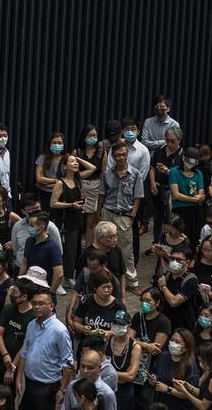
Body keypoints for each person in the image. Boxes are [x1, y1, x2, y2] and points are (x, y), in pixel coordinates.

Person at [98, 142, 144, 296]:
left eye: (124, 154)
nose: (121, 157)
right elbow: (102, 194)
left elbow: (138, 197)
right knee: (104, 246)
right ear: (113, 156)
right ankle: (103, 276)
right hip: (108, 213)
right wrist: (99, 212)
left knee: (126, 249)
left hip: (124, 216)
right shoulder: (107, 174)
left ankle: (132, 281)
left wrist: (133, 215)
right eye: (118, 155)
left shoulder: (135, 174)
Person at [16, 288, 73, 410]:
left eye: (41, 304)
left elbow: (67, 363)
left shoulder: (60, 331)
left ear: (51, 306)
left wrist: (62, 390)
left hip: (48, 387)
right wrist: (19, 378)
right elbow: (24, 353)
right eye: (34, 303)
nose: (36, 307)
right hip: (29, 383)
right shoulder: (31, 325)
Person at [51, 153, 97, 286]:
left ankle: (70, 275)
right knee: (68, 250)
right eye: (72, 161)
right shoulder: (60, 183)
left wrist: (77, 158)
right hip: (66, 221)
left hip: (77, 219)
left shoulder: (78, 179)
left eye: (76, 162)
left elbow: (92, 168)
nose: (76, 163)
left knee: (76, 249)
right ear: (65, 167)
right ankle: (65, 277)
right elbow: (53, 203)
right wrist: (71, 205)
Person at [147, 126, 183, 254]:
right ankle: (156, 243)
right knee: (157, 219)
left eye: (172, 141)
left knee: (170, 220)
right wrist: (152, 182)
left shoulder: (182, 155)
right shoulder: (159, 150)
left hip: (172, 192)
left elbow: (181, 177)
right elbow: (152, 168)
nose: (169, 143)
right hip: (158, 188)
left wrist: (168, 172)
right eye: (167, 140)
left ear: (179, 140)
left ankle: (170, 245)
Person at [128, 287, 171, 395]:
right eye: (142, 300)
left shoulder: (164, 322)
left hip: (151, 367)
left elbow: (155, 350)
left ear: (157, 303)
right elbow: (128, 340)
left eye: (148, 300)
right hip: (133, 362)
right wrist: (146, 346)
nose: (144, 303)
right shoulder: (138, 317)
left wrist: (136, 342)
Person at [0, 278, 36, 389]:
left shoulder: (33, 317)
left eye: (15, 292)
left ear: (24, 297)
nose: (11, 295)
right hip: (4, 361)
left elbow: (26, 344)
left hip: (20, 366)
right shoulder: (8, 309)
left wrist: (12, 367)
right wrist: (5, 354)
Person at [11, 195, 63, 275]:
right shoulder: (17, 226)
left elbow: (59, 251)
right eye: (31, 211)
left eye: (37, 208)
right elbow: (15, 249)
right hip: (21, 269)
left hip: (41, 273)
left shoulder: (51, 227)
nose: (35, 213)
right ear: (23, 211)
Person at [149, 328, 199, 410]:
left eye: (177, 342)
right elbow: (155, 373)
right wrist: (153, 379)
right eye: (172, 340)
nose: (173, 343)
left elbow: (189, 395)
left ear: (186, 347)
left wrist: (167, 389)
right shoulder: (162, 356)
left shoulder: (191, 366)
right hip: (160, 404)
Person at [74, 124, 108, 247]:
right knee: (77, 221)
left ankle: (89, 248)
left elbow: (104, 174)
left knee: (91, 222)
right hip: (79, 187)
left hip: (95, 188)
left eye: (95, 135)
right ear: (84, 136)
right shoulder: (77, 152)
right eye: (90, 135)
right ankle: (76, 249)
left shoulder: (102, 153)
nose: (93, 137)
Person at [77, 221, 127, 300]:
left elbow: (122, 274)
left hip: (114, 295)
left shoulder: (116, 249)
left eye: (116, 236)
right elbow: (80, 279)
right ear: (100, 238)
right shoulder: (88, 254)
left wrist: (123, 297)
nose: (115, 239)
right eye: (111, 237)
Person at [71, 270, 126, 340]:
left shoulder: (118, 306)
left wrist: (108, 333)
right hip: (87, 343)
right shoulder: (86, 300)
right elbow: (76, 322)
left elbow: (123, 329)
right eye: (103, 287)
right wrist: (82, 328)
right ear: (95, 288)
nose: (106, 290)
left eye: (109, 287)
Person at [156, 244, 200, 331]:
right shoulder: (166, 277)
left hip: (183, 325)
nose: (174, 262)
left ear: (187, 262)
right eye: (172, 258)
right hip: (165, 322)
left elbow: (174, 302)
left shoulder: (191, 280)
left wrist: (164, 287)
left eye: (179, 259)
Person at [169, 146, 206, 250]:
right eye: (188, 162)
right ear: (183, 158)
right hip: (180, 210)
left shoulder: (198, 174)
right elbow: (176, 194)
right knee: (179, 239)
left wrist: (200, 197)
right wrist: (193, 199)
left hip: (195, 211)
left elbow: (201, 193)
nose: (190, 165)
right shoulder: (174, 171)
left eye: (193, 163)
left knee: (194, 239)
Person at [172, 342, 212, 410]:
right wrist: (188, 386)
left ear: (209, 359)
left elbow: (203, 406)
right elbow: (203, 394)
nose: (200, 364)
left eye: (201, 360)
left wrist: (184, 391)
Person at [105, 310, 141, 410]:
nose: (117, 327)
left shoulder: (135, 347)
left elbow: (130, 376)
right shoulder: (106, 340)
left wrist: (108, 372)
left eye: (121, 324)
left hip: (124, 393)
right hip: (106, 387)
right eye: (115, 323)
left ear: (128, 325)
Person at [21, 212, 63, 294]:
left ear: (41, 228)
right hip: (29, 289)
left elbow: (59, 274)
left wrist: (51, 293)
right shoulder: (29, 241)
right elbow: (24, 264)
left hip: (43, 291)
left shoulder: (52, 247)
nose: (29, 228)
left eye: (32, 226)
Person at [106, 117, 151, 181]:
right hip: (114, 185)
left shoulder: (143, 151)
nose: (130, 132)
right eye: (127, 129)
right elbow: (109, 167)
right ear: (122, 131)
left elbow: (142, 174)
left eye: (133, 129)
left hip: (133, 187)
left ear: (138, 131)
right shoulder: (115, 148)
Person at [35, 132, 68, 212]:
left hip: (60, 194)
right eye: (54, 143)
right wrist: (56, 181)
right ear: (50, 144)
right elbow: (39, 178)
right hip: (44, 193)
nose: (57, 145)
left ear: (63, 145)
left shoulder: (66, 159)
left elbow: (67, 179)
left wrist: (46, 181)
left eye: (59, 143)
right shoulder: (42, 158)